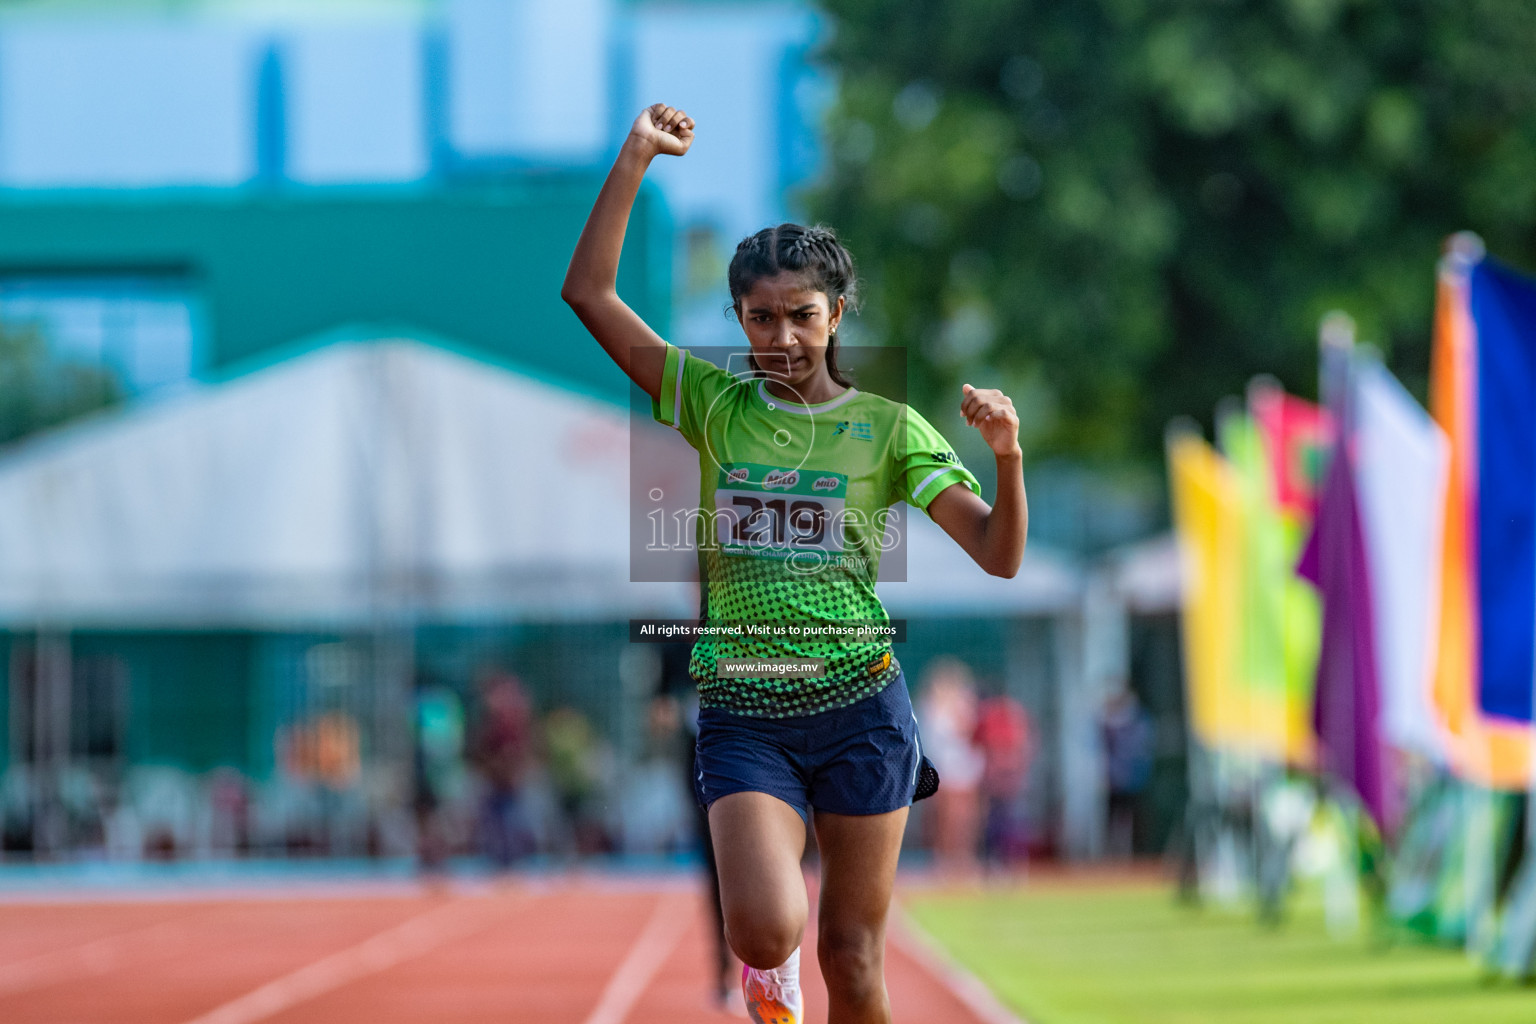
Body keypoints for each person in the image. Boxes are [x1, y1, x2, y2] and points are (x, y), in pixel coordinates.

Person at [562, 103, 1028, 1024]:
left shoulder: (890, 429)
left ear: (837, 312)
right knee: (768, 931)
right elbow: (589, 294)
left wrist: (1008, 457)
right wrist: (635, 158)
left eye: (802, 317)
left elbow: (998, 555)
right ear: (737, 317)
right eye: (760, 318)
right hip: (745, 710)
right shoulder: (711, 402)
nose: (781, 339)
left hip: (862, 709)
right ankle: (767, 983)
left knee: (853, 959)